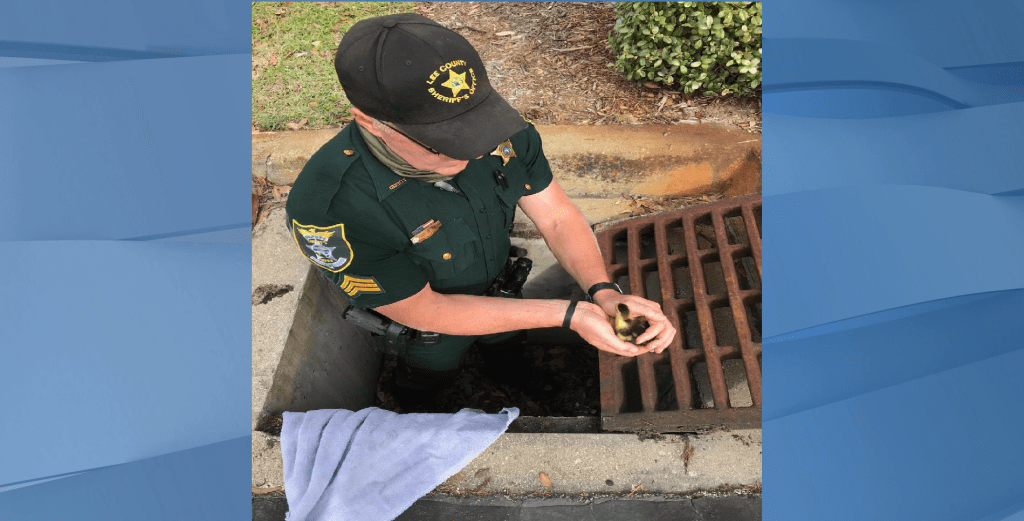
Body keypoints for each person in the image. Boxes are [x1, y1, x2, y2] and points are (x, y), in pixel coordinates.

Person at [286, 13, 676, 407]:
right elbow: (426, 310)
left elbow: (556, 215)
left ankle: (515, 377)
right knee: (428, 373)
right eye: (441, 140)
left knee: (510, 349)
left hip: (503, 290)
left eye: (473, 125)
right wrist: (570, 314)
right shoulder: (330, 210)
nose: (473, 150)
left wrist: (602, 293)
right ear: (371, 122)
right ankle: (420, 405)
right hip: (430, 326)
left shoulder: (503, 134)